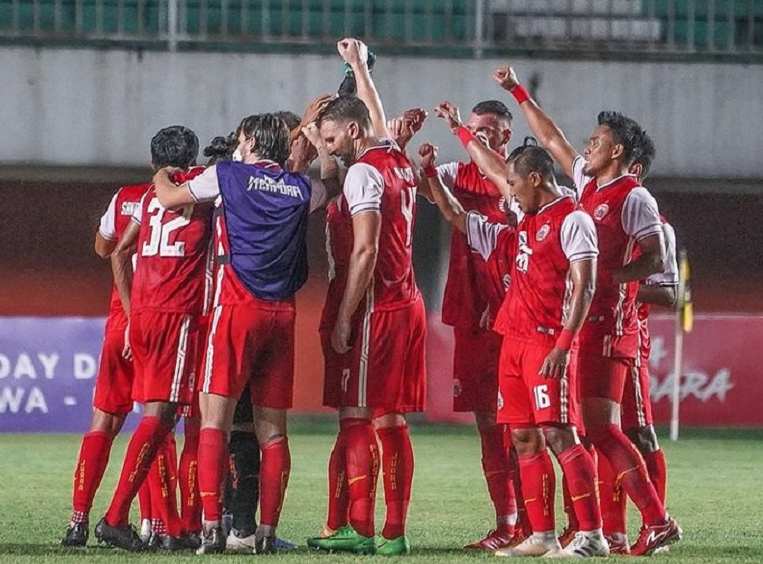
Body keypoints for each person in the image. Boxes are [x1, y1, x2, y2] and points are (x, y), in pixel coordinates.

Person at [494, 64, 682, 556]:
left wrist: (606, 280)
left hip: (608, 327)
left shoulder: (634, 196)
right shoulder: (586, 187)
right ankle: (607, 531)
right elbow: (550, 139)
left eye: (597, 140)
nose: (587, 145)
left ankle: (653, 521)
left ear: (617, 151)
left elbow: (658, 260)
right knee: (586, 429)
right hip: (582, 325)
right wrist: (517, 91)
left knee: (600, 429)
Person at [154, 112, 338, 555]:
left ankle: (214, 526)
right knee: (273, 433)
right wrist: (320, 143)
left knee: (213, 423)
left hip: (235, 309)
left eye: (241, 138)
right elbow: (332, 182)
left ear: (252, 141)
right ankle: (267, 533)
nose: (237, 145)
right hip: (282, 317)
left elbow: (169, 197)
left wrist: (161, 170)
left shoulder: (228, 174)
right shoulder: (299, 189)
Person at [308, 38, 426, 557]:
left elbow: (364, 251)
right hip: (407, 301)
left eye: (331, 137)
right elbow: (375, 113)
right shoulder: (393, 156)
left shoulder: (362, 171)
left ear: (352, 132)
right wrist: (358, 66)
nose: (326, 146)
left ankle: (360, 526)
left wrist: (344, 318)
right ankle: (392, 534)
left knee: (355, 416)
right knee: (389, 419)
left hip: (374, 307)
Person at [93, 125, 211, 551]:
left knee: (159, 419)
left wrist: (129, 309)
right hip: (177, 316)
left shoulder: (146, 197)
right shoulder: (203, 192)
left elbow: (118, 252)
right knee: (163, 419)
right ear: (193, 159)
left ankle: (169, 525)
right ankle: (116, 517)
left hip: (141, 317)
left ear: (153, 162)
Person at [423, 99, 525, 551]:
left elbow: (499, 178)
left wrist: (462, 130)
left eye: (491, 130)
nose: (482, 135)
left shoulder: (519, 182)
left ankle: (539, 524)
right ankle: (506, 524)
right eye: (477, 128)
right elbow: (427, 191)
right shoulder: (454, 174)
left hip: (516, 319)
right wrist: (420, 160)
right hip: (471, 315)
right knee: (488, 422)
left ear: (506, 136)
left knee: (525, 424)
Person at [596, 134, 678, 552]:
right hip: (604, 329)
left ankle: (656, 523)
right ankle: (613, 531)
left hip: (630, 336)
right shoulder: (598, 205)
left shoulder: (658, 227)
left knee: (638, 432)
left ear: (635, 171)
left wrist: (616, 281)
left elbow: (670, 294)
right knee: (601, 429)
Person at [61, 179, 150, 547]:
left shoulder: (126, 197)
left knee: (104, 419)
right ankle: (155, 525)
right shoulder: (192, 193)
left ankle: (77, 520)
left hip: (120, 320)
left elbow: (102, 248)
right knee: (158, 419)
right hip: (161, 320)